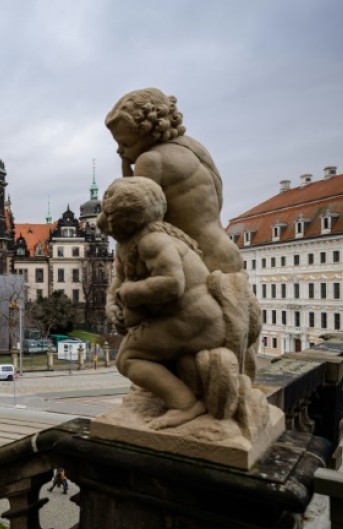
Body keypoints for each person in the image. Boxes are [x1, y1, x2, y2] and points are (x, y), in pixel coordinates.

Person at [105, 88, 260, 378]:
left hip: (195, 265)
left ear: (147, 132)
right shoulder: (194, 150)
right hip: (225, 255)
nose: (120, 151)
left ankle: (181, 398)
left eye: (125, 143)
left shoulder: (151, 160)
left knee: (159, 350)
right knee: (233, 338)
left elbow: (136, 216)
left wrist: (117, 293)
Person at [99, 177, 228, 429]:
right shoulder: (128, 244)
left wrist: (129, 293)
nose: (103, 222)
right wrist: (112, 305)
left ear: (125, 221)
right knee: (132, 354)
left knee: (128, 359)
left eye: (108, 216)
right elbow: (118, 282)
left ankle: (186, 404)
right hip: (181, 319)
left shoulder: (152, 240)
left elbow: (172, 283)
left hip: (196, 319)